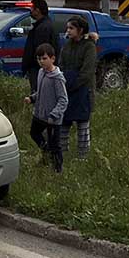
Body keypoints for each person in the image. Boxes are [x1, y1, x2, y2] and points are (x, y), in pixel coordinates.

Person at [25, 43, 69, 173]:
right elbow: (42, 92)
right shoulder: (40, 73)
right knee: (34, 133)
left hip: (52, 119)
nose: (41, 61)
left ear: (52, 59)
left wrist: (54, 114)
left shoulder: (57, 78)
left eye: (44, 58)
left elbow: (63, 99)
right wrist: (32, 98)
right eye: (39, 59)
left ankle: (58, 169)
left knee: (55, 145)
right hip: (39, 114)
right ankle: (45, 152)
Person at [58, 16, 98, 160]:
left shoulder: (89, 46)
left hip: (83, 90)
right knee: (64, 123)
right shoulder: (67, 46)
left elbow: (87, 71)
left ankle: (83, 156)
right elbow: (61, 65)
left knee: (82, 124)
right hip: (66, 89)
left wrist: (74, 84)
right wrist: (63, 83)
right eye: (67, 28)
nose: (68, 31)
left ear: (80, 30)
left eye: (71, 28)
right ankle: (62, 153)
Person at [22, 0, 59, 92]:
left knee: (39, 94)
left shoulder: (43, 28)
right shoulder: (42, 25)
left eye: (32, 8)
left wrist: (36, 64)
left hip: (38, 69)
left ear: (37, 10)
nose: (30, 11)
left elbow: (41, 50)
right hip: (39, 69)